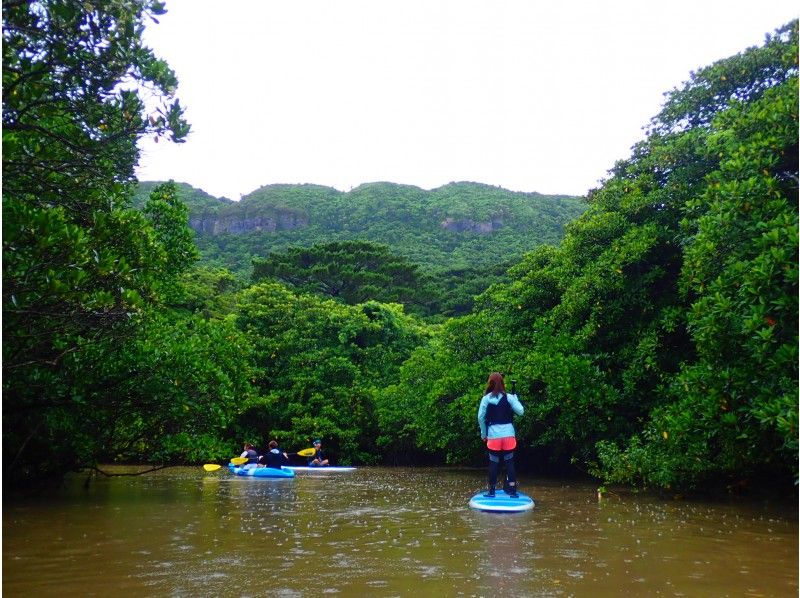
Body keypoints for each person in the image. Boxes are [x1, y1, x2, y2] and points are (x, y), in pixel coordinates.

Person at [477, 372, 524, 498]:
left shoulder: (486, 399)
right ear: (502, 383)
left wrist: (483, 433)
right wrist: (515, 399)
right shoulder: (509, 397)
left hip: (493, 435)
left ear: (490, 383)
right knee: (510, 462)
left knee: (494, 463)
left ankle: (491, 491)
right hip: (508, 435)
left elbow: (481, 418)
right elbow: (521, 411)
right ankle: (513, 491)